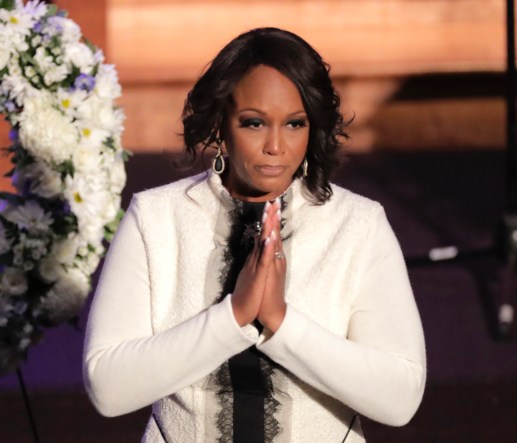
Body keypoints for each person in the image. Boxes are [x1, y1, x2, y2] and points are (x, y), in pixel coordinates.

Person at [83, 27, 426, 442]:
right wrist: (232, 317)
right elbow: (107, 388)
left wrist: (281, 324)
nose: (276, 146)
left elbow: (400, 399)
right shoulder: (155, 218)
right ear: (220, 125)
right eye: (254, 123)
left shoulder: (357, 224)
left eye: (295, 123)